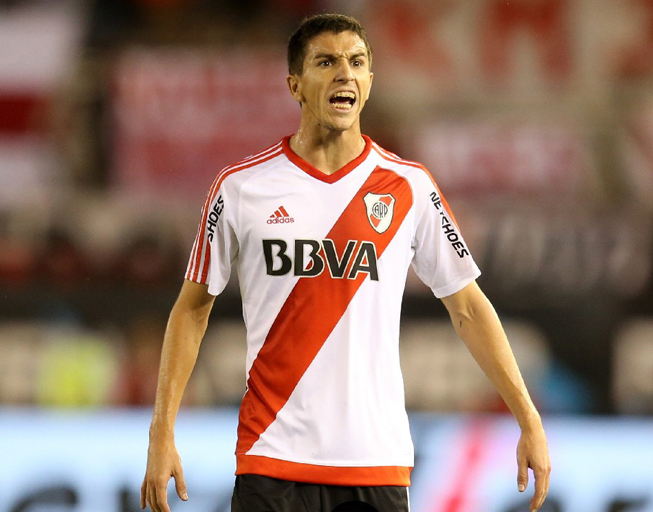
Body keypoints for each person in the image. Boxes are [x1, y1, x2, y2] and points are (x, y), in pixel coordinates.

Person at [140, 12, 550, 512]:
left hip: (375, 465)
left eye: (356, 63)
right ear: (294, 84)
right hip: (271, 461)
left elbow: (467, 306)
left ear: (370, 82)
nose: (344, 74)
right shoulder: (241, 187)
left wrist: (528, 418)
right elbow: (191, 310)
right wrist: (162, 433)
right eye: (326, 62)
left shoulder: (409, 186)